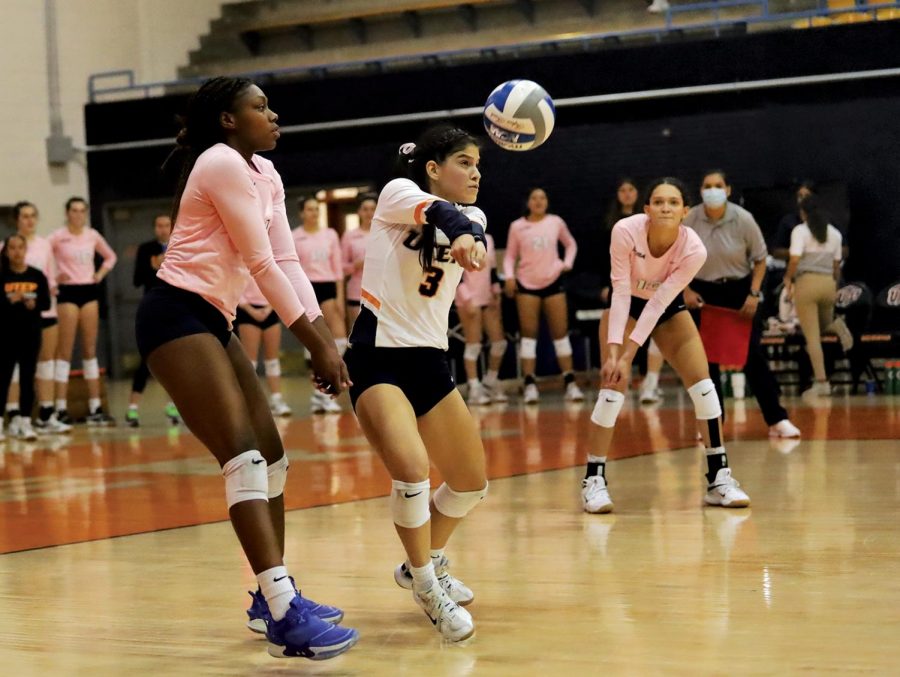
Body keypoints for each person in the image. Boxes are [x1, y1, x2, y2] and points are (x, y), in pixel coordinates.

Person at [137, 76, 358, 660]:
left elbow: (286, 258)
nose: (273, 113)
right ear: (229, 120)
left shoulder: (266, 173)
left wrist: (325, 336)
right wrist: (315, 343)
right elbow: (260, 263)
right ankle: (284, 611)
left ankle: (269, 598)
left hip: (214, 319)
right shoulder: (218, 162)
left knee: (274, 458)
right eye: (259, 107)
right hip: (175, 315)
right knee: (243, 455)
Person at [343, 125, 489, 642]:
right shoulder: (396, 195)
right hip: (376, 356)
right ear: (433, 168)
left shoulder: (475, 217)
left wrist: (473, 240)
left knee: (471, 481)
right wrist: (464, 236)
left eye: (478, 165)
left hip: (430, 360)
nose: (475, 173)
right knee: (410, 470)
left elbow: (467, 225)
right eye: (465, 162)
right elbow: (439, 214)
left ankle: (419, 562)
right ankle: (427, 586)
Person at [582, 178, 750, 514]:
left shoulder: (694, 249)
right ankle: (593, 480)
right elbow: (620, 289)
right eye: (658, 202)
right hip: (625, 305)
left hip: (666, 308)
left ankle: (719, 478)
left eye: (673, 203)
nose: (665, 208)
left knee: (704, 387)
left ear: (685, 211)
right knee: (612, 388)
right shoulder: (625, 230)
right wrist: (615, 352)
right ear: (647, 209)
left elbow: (659, 302)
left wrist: (630, 354)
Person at [683, 170, 801, 439]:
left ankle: (777, 419)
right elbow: (677, 260)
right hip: (702, 293)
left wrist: (754, 293)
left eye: (718, 185)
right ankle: (713, 423)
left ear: (727, 189)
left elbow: (760, 259)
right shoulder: (690, 219)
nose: (712, 190)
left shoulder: (743, 219)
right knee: (704, 362)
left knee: (751, 356)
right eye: (706, 186)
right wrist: (686, 290)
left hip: (740, 290)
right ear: (700, 191)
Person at [503, 187, 582, 404]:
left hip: (553, 281)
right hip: (527, 285)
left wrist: (566, 264)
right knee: (529, 335)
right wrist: (509, 277)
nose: (538, 201)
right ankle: (530, 384)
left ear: (547, 202)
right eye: (534, 198)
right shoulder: (517, 226)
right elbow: (509, 257)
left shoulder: (555, 222)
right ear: (528, 202)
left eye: (542, 198)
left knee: (560, 333)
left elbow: (571, 244)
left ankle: (570, 382)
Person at [2, 201, 71, 435]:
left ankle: (46, 413)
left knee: (44, 364)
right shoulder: (5, 248)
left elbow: (50, 279)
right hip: (11, 320)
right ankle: (12, 415)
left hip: (42, 313)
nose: (29, 221)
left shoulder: (44, 246)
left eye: (33, 216)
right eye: (24, 216)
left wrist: (47, 291)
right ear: (16, 220)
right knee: (11, 369)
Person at [49, 197, 118, 425]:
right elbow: (42, 257)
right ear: (67, 213)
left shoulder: (92, 235)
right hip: (67, 293)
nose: (78, 215)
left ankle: (95, 406)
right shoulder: (58, 236)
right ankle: (59, 408)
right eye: (74, 210)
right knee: (65, 351)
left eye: (82, 211)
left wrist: (98, 275)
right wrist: (54, 278)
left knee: (90, 349)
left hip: (89, 291)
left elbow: (111, 257)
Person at [603, 179, 667, 404]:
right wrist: (606, 284)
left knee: (656, 332)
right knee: (621, 334)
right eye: (622, 190)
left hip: (651, 285)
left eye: (631, 189)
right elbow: (607, 259)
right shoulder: (613, 223)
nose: (627, 194)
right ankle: (622, 383)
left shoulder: (651, 222)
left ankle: (651, 382)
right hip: (622, 286)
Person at [784, 194, 854, 396]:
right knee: (824, 325)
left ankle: (822, 382)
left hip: (807, 283)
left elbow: (795, 260)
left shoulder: (800, 231)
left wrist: (788, 279)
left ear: (803, 213)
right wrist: (833, 285)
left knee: (812, 337)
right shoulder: (834, 234)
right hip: (828, 284)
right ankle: (838, 325)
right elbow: (836, 266)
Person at [293, 196, 346, 414]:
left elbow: (338, 269)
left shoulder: (330, 234)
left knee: (339, 338)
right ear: (302, 213)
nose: (314, 213)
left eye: (317, 209)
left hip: (328, 288)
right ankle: (318, 395)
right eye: (310, 209)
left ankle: (331, 389)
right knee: (314, 341)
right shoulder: (295, 236)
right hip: (307, 288)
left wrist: (340, 298)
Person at [126, 214, 180, 427]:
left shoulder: (179, 245)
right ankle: (132, 408)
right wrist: (153, 266)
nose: (163, 229)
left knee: (175, 359)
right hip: (152, 306)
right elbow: (136, 280)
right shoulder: (146, 249)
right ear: (154, 228)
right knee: (147, 358)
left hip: (175, 306)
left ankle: (172, 406)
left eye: (167, 225)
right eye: (159, 225)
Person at [0, 234, 50, 442]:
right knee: (2, 379)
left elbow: (46, 303)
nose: (17, 252)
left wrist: (33, 304)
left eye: (21, 247)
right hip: (5, 336)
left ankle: (26, 422)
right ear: (6, 251)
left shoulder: (37, 276)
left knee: (27, 379)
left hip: (30, 335)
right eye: (13, 248)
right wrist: (9, 300)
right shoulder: (2, 277)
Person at [456, 232, 508, 405]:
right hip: (468, 297)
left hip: (487, 295)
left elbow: (492, 268)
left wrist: (496, 292)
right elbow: (454, 271)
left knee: (499, 342)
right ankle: (474, 387)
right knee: (474, 343)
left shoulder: (489, 238)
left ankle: (490, 381)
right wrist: (466, 298)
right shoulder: (457, 237)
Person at [235, 277, 292, 416]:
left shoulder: (270, 259)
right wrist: (249, 309)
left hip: (270, 310)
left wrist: (269, 307)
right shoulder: (240, 261)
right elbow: (234, 287)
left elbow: (278, 285)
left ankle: (276, 399)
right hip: (246, 311)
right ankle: (248, 402)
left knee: (272, 360)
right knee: (250, 361)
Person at [342, 193, 375, 327]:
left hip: (381, 291)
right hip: (357, 292)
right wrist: (356, 265)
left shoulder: (385, 235)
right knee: (360, 334)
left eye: (373, 209)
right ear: (359, 212)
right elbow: (342, 268)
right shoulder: (349, 236)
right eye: (365, 209)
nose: (369, 213)